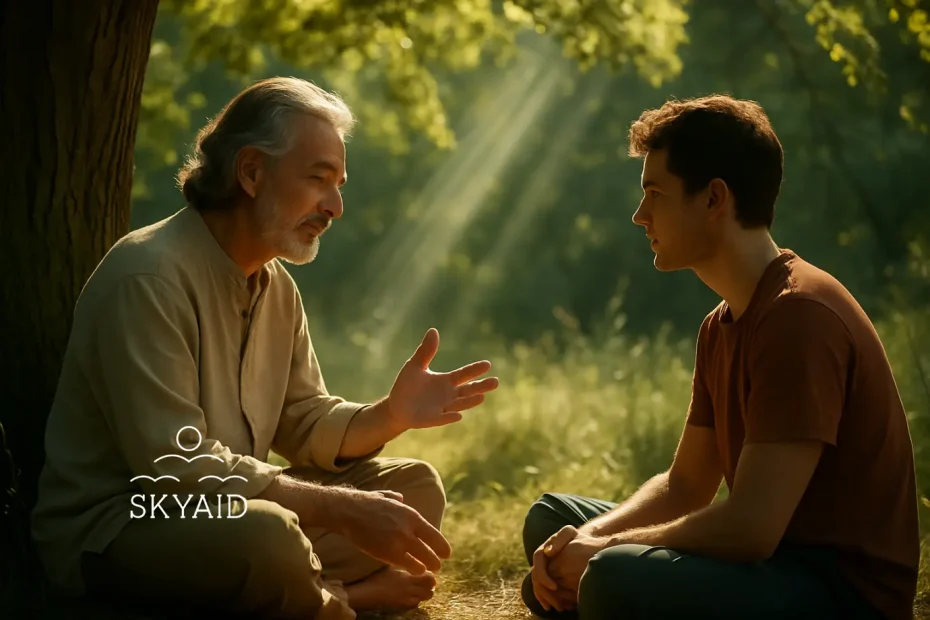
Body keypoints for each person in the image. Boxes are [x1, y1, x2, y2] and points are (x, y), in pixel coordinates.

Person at [31, 76, 499, 620]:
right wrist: (338, 510)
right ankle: (339, 601)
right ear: (251, 171)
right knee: (268, 536)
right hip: (129, 521)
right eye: (319, 179)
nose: (335, 206)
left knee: (411, 487)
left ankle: (290, 593)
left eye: (339, 183)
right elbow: (174, 467)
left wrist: (389, 415)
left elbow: (301, 418)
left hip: (228, 511)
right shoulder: (149, 276)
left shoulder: (276, 286)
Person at [520, 95, 920, 620]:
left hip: (835, 590)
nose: (640, 216)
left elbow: (752, 528)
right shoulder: (721, 324)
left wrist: (599, 554)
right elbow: (686, 485)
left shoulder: (798, 316)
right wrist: (587, 538)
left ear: (714, 199)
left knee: (612, 577)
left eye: (654, 194)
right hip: (772, 565)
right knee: (552, 522)